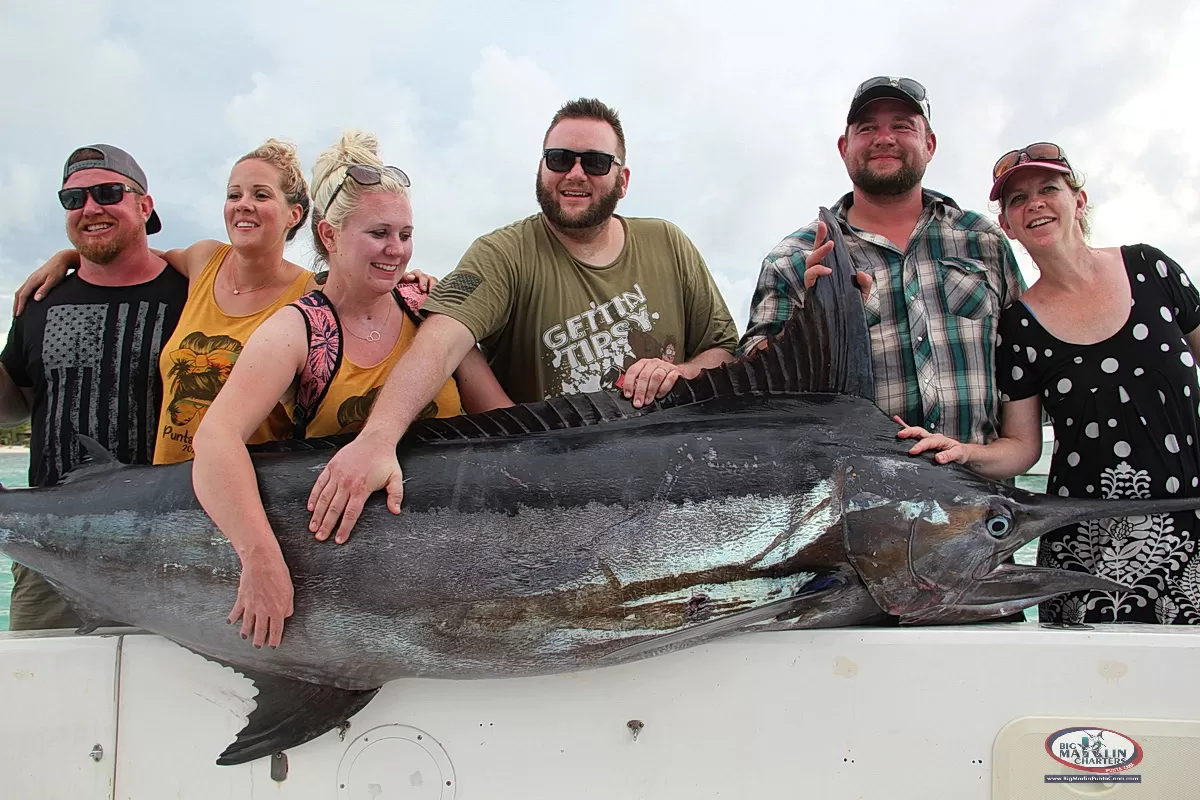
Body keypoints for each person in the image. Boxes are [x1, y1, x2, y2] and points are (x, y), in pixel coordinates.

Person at [303, 97, 739, 543]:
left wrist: (682, 372)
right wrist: (379, 437)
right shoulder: (501, 254)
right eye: (559, 158)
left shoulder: (668, 242)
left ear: (622, 180)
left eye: (595, 162)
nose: (574, 173)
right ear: (541, 167)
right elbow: (441, 341)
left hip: (677, 499)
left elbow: (725, 350)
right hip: (553, 509)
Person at [191, 130, 511, 648]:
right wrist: (260, 559)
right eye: (379, 232)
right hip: (350, 582)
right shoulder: (296, 330)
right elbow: (215, 440)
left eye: (406, 234)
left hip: (452, 573)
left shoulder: (430, 313)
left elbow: (502, 421)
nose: (397, 251)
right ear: (331, 235)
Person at [900, 143, 1200, 625]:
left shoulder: (1152, 269)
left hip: (1191, 517)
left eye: (1048, 189)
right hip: (1087, 542)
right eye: (1017, 200)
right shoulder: (1018, 325)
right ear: (1008, 226)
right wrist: (964, 451)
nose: (1034, 203)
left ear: (1078, 201)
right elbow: (1022, 447)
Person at [13, 139, 439, 465]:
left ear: (295, 215)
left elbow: (358, 296)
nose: (243, 206)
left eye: (260, 194)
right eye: (234, 194)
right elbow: (133, 257)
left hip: (253, 489)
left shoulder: (311, 300)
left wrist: (410, 285)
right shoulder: (203, 260)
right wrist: (69, 257)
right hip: (166, 488)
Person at [742, 76, 1025, 446]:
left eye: (902, 127)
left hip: (978, 491)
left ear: (929, 144)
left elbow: (1025, 359)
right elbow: (755, 389)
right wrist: (811, 320)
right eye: (867, 128)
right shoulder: (793, 257)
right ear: (844, 147)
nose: (884, 138)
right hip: (858, 495)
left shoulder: (982, 239)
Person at [0, 144, 188, 630]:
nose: (90, 208)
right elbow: (14, 407)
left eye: (107, 193)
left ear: (145, 207)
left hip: (172, 549)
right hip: (50, 552)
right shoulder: (40, 300)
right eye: (73, 198)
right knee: (40, 694)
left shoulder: (194, 294)